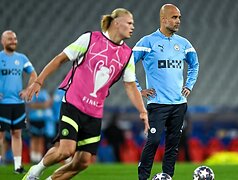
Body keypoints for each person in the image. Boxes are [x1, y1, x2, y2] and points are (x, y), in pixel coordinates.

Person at [22, 8, 149, 180]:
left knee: (83, 161)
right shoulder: (90, 39)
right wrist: (39, 81)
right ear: (116, 22)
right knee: (66, 150)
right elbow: (60, 58)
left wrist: (142, 111)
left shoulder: (127, 55)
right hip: (73, 103)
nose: (132, 27)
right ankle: (34, 173)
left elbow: (130, 85)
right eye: (129, 23)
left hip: (94, 112)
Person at [133, 4, 199, 179]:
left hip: (179, 104)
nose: (178, 21)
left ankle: (167, 176)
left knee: (173, 144)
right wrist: (139, 90)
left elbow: (194, 65)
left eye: (179, 18)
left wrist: (189, 85)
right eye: (174, 17)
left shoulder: (184, 44)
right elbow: (128, 65)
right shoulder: (147, 42)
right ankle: (143, 177)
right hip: (157, 103)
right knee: (153, 141)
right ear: (164, 19)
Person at [0, 30, 37, 173]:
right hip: (2, 104)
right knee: (1, 134)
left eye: (15, 39)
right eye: (9, 39)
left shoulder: (21, 58)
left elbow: (33, 74)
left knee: (17, 134)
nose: (13, 41)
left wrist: (28, 89)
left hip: (17, 103)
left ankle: (18, 165)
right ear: (3, 41)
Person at [26, 89, 52, 163]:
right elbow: (30, 104)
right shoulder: (32, 93)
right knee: (33, 139)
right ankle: (33, 157)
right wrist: (42, 105)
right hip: (33, 119)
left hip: (42, 119)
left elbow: (47, 104)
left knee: (41, 139)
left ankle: (39, 157)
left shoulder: (44, 93)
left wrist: (37, 105)